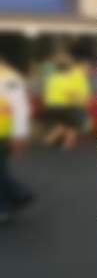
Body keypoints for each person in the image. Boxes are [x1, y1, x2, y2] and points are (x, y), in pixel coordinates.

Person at [0, 57, 34, 223]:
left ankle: (4, 206)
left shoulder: (8, 78)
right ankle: (19, 194)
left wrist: (20, 134)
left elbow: (20, 107)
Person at [42, 54, 90, 149]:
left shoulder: (54, 77)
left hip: (53, 105)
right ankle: (64, 144)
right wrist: (81, 98)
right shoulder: (68, 76)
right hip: (64, 105)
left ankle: (52, 142)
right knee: (72, 125)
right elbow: (70, 92)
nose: (87, 68)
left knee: (65, 125)